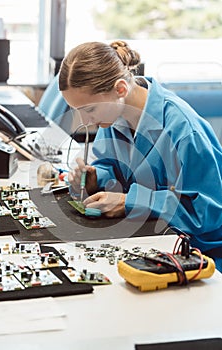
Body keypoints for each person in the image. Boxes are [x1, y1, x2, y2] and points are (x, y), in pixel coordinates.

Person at [59, 40, 222, 271]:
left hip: (202, 254)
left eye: (89, 110)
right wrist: (98, 178)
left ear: (121, 89)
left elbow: (209, 212)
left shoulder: (184, 130)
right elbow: (114, 167)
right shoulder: (113, 116)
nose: (85, 122)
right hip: (150, 239)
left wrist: (131, 201)